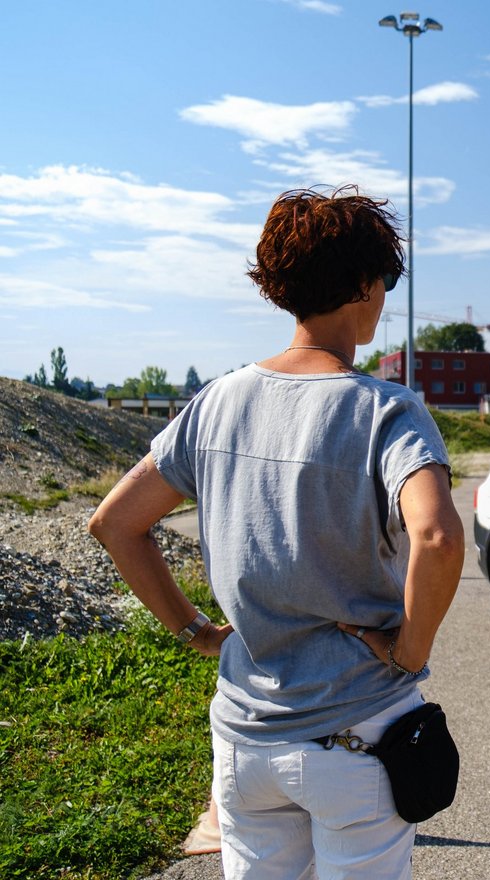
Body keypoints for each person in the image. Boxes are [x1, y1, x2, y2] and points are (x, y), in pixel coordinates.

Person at [89, 185, 465, 879]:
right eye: (384, 279)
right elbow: (438, 538)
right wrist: (410, 652)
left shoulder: (217, 402)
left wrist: (195, 630)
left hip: (244, 745)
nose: (385, 294)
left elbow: (115, 523)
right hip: (360, 736)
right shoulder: (387, 411)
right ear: (360, 284)